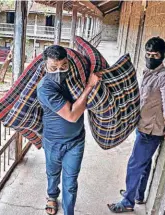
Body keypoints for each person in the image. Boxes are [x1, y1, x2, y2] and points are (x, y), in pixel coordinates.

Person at [107, 37, 165, 213]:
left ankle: (128, 202)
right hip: (144, 125)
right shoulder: (148, 72)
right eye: (148, 54)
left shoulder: (164, 77)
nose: (151, 58)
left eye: (155, 55)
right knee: (144, 164)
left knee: (135, 165)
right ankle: (138, 194)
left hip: (151, 130)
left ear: (162, 56)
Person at [37, 45, 101, 215]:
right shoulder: (45, 88)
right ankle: (52, 196)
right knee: (53, 173)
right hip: (53, 141)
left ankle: (69, 212)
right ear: (45, 67)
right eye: (53, 68)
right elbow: (72, 115)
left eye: (63, 66)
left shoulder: (74, 78)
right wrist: (89, 87)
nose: (59, 71)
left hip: (76, 141)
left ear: (69, 64)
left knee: (71, 182)